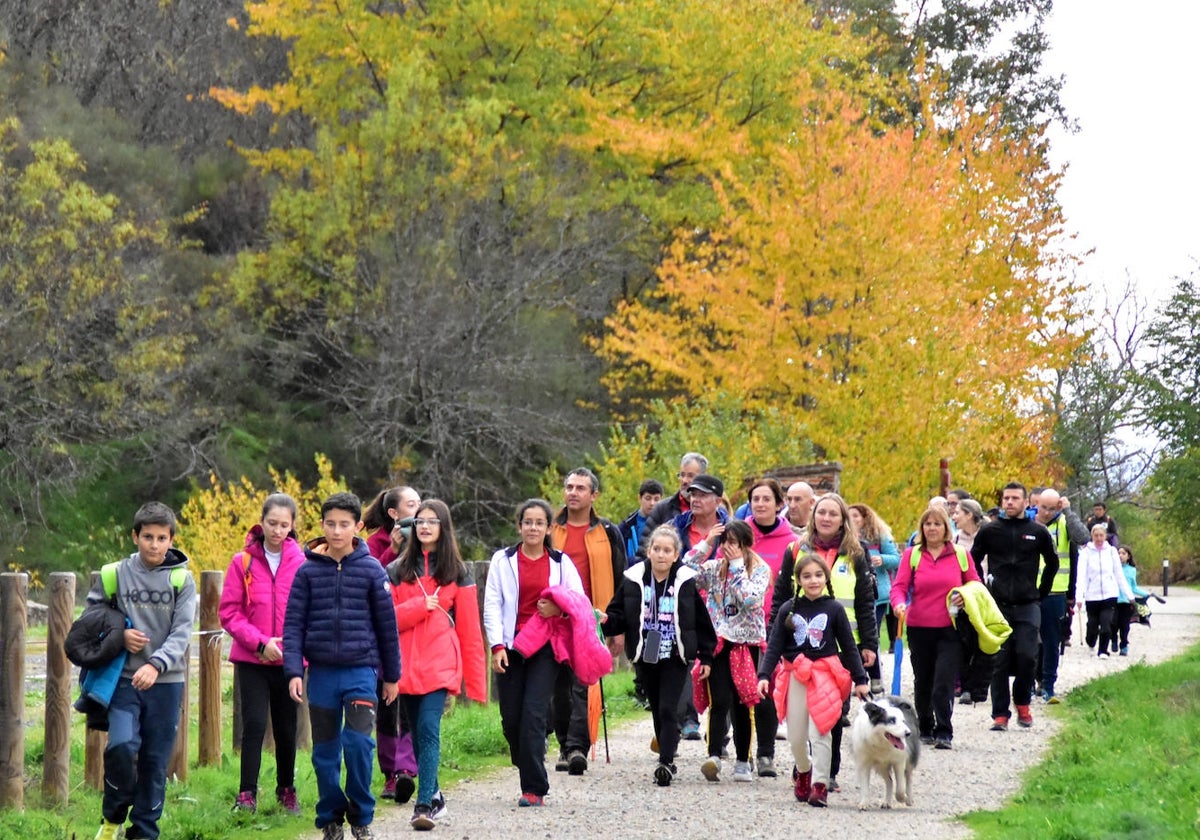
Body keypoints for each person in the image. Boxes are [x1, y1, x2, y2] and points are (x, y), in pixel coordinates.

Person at [284, 492, 402, 840]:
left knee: (359, 747)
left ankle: (361, 816)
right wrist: (293, 670)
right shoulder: (306, 572)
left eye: (344, 524)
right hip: (320, 675)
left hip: (361, 673)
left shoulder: (371, 570)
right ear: (322, 525)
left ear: (357, 526)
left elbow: (387, 627)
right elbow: (293, 625)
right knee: (324, 754)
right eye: (331, 524)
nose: (337, 531)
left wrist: (391, 676)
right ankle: (331, 817)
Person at [90, 502, 196, 840]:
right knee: (120, 746)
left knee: (154, 762)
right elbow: (89, 622)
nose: (154, 544)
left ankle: (144, 832)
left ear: (171, 539)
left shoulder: (182, 579)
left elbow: (182, 633)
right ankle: (114, 814)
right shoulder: (113, 574)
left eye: (161, 537)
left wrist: (156, 663)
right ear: (135, 536)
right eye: (147, 536)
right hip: (122, 679)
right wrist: (119, 636)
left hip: (166, 683)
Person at [388, 499, 487, 830]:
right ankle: (436, 793)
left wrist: (476, 686)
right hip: (405, 666)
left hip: (440, 663)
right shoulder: (396, 570)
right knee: (415, 734)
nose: (425, 526)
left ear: (444, 527)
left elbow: (471, 633)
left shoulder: (457, 573)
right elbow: (387, 621)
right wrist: (419, 606)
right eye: (419, 521)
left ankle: (424, 805)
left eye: (432, 521)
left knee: (429, 729)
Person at [769, 493, 877, 792]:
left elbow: (866, 601)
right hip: (800, 648)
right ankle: (805, 766)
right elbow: (781, 597)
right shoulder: (796, 549)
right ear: (813, 516)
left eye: (833, 514)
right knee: (802, 713)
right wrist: (774, 641)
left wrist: (868, 643)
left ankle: (826, 773)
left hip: (842, 646)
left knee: (832, 713)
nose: (826, 518)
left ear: (843, 519)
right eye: (821, 513)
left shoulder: (856, 553)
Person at [484, 499, 587, 808]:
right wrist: (496, 646)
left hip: (545, 647)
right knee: (511, 719)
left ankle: (534, 788)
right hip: (512, 647)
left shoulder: (560, 563)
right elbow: (491, 603)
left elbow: (578, 601)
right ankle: (527, 759)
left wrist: (558, 607)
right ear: (519, 526)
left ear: (547, 528)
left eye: (539, 523)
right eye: (527, 522)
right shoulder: (502, 560)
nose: (532, 528)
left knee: (533, 714)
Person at [603, 525, 716, 786]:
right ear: (649, 551)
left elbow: (701, 622)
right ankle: (667, 751)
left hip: (675, 655)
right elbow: (618, 614)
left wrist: (706, 657)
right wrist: (606, 621)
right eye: (657, 549)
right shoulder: (634, 579)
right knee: (656, 708)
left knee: (668, 707)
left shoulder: (685, 582)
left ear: (676, 555)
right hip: (646, 654)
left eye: (667, 550)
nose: (662, 555)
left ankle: (666, 761)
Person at [758, 553, 870, 807]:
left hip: (824, 675)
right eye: (807, 576)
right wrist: (764, 675)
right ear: (798, 580)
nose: (813, 581)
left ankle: (820, 784)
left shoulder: (834, 609)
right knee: (796, 736)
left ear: (826, 578)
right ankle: (804, 770)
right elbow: (774, 644)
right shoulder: (789, 609)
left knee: (821, 732)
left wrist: (861, 679)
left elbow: (849, 647)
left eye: (818, 575)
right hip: (796, 675)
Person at [219, 493, 305, 816]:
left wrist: (288, 646)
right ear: (262, 521)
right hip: (252, 658)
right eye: (272, 523)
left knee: (286, 727)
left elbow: (307, 612)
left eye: (284, 525)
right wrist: (260, 643)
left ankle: (286, 790)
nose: (277, 530)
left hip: (289, 659)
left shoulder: (302, 563)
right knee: (253, 724)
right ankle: (246, 794)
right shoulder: (242, 561)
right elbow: (229, 612)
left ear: (292, 525)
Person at [683, 518, 774, 782]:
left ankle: (743, 760)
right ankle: (713, 755)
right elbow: (685, 571)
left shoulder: (759, 569)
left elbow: (751, 600)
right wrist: (706, 543)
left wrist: (736, 568)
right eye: (724, 543)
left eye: (733, 544)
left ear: (745, 545)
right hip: (718, 641)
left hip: (746, 644)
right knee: (719, 699)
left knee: (742, 701)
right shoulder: (713, 569)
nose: (727, 549)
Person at [549, 467, 626, 775]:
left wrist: (617, 627)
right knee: (558, 688)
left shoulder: (607, 532)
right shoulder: (551, 529)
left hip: (592, 618)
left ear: (594, 495)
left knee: (584, 683)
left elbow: (622, 582)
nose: (573, 492)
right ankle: (565, 741)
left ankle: (577, 748)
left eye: (580, 487)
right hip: (554, 618)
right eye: (569, 486)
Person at [970, 482, 1057, 732]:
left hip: (1028, 603)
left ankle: (1022, 702)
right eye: (1006, 498)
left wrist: (1042, 591)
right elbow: (971, 560)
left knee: (1027, 656)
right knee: (999, 659)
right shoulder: (989, 530)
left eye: (1014, 498)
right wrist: (981, 589)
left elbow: (1051, 563)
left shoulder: (1037, 532)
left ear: (1025, 502)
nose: (1009, 502)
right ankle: (1000, 714)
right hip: (997, 605)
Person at [891, 507, 979, 749]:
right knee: (923, 680)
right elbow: (899, 587)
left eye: (937, 524)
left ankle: (944, 730)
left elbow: (975, 584)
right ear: (921, 529)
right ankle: (925, 726)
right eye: (927, 524)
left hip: (950, 628)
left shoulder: (960, 554)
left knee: (944, 680)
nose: (931, 528)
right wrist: (899, 604)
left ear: (946, 528)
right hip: (919, 627)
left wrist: (965, 596)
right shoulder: (912, 555)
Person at [363, 487, 422, 801]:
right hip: (384, 636)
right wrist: (393, 552)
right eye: (412, 505)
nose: (420, 510)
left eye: (421, 504)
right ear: (394, 514)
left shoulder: (428, 542)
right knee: (387, 706)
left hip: (418, 635)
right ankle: (391, 773)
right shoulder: (374, 545)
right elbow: (370, 584)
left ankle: (407, 769)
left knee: (412, 707)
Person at [1032, 489, 1084, 704]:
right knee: (1028, 642)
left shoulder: (1064, 523)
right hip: (1029, 592)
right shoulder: (1028, 523)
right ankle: (1026, 684)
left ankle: (1048, 685)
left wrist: (1069, 512)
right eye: (1042, 507)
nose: (1045, 512)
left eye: (1051, 508)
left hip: (1055, 592)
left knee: (1051, 642)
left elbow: (1082, 537)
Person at [848, 502, 900, 694]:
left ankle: (875, 677)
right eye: (849, 516)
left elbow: (896, 558)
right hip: (854, 593)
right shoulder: (846, 538)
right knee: (855, 637)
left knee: (871, 636)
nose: (852, 520)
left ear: (865, 518)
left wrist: (882, 560)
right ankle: (859, 676)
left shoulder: (878, 537)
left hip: (877, 594)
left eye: (856, 516)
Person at [952, 499, 992, 705]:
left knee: (982, 643)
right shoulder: (955, 539)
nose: (953, 516)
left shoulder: (988, 536)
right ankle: (966, 687)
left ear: (969, 515)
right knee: (963, 643)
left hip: (985, 597)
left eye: (957, 512)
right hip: (962, 599)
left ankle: (979, 685)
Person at [1075, 523, 1134, 659]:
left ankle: (1103, 650)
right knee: (1092, 626)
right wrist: (1079, 597)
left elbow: (1119, 574)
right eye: (1096, 536)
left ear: (1105, 536)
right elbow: (1081, 576)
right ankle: (1091, 642)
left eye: (1101, 535)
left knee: (1107, 624)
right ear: (1092, 536)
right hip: (1092, 596)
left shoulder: (1112, 551)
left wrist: (1129, 595)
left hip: (1109, 594)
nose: (1099, 538)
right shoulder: (1086, 553)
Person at [641, 452, 709, 551]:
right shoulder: (662, 509)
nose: (684, 480)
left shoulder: (715, 511)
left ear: (704, 477)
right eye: (682, 475)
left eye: (690, 476)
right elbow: (645, 550)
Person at [1112, 545, 1150, 656]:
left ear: (1128, 556)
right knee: (1113, 623)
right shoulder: (1112, 568)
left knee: (1125, 625)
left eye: (1123, 553)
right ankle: (1113, 639)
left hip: (1126, 601)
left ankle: (1124, 645)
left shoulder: (1131, 570)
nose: (1120, 556)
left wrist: (1146, 594)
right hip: (1114, 600)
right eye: (1119, 553)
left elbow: (1133, 587)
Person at [619, 479, 664, 564]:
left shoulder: (667, 524)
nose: (652, 503)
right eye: (648, 498)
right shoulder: (626, 527)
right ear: (639, 498)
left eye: (656, 499)